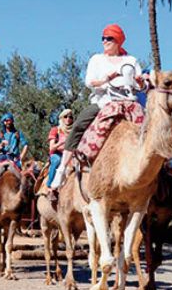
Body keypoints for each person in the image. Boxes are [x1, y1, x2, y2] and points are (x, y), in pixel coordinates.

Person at [50, 24, 143, 189]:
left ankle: (170, 166)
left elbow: (140, 84)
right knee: (78, 126)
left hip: (128, 103)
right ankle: (62, 168)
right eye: (103, 38)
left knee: (153, 128)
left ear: (118, 41)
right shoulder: (97, 59)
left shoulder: (131, 61)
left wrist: (142, 82)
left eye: (109, 38)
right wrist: (107, 79)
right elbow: (90, 83)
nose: (105, 41)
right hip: (103, 102)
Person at [47, 109, 73, 191]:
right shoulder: (55, 130)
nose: (68, 119)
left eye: (70, 117)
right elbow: (51, 147)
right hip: (57, 153)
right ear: (61, 118)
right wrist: (61, 143)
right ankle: (49, 185)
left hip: (69, 154)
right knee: (57, 161)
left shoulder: (73, 131)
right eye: (65, 117)